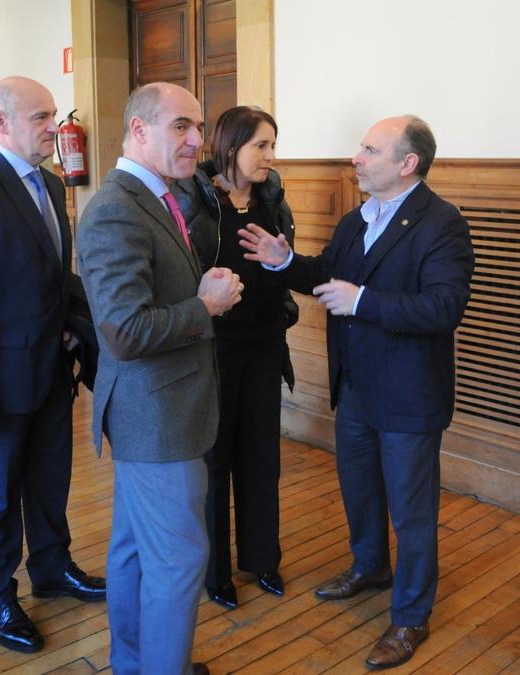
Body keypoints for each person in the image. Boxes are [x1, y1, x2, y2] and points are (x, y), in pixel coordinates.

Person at [239, 115, 474, 670]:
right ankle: (370, 567)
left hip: (409, 397)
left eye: (370, 150)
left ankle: (411, 616)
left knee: (412, 513)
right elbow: (328, 275)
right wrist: (285, 261)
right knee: (360, 491)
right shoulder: (357, 218)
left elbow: (444, 307)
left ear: (408, 163)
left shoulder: (443, 223)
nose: (356, 158)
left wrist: (363, 301)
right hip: (355, 388)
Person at [0, 76, 106, 655]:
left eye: (53, 115)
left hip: (51, 371)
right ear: (0, 123)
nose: (54, 127)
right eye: (40, 118)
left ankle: (52, 569)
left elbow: (51, 276)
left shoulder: (50, 185)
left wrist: (72, 327)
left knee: (50, 482)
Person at [76, 82, 241, 675]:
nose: (197, 139)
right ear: (139, 130)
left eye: (197, 126)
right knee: (178, 558)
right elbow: (124, 331)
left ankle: (136, 665)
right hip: (156, 417)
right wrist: (206, 307)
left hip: (158, 410)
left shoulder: (156, 196)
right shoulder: (116, 209)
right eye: (181, 126)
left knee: (134, 552)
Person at [170, 105, 293, 610]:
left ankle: (262, 558)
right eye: (261, 145)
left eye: (273, 145)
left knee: (263, 456)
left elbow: (283, 262)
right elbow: (182, 276)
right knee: (216, 459)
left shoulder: (272, 195)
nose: (270, 156)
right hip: (215, 348)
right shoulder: (195, 198)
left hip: (264, 343)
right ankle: (216, 572)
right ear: (231, 146)